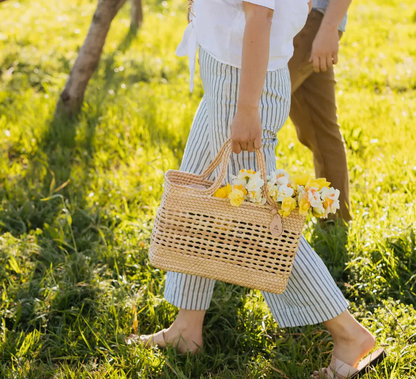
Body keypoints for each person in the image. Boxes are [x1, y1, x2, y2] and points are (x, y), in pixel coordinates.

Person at [127, 1, 385, 377]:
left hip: (244, 84)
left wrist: (247, 106)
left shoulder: (247, 93)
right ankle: (187, 327)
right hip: (227, 73)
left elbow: (261, 14)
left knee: (262, 226)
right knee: (200, 193)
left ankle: (349, 333)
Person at [289, 0, 352, 223]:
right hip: (305, 19)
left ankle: (229, 215)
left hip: (311, 20)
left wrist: (329, 27)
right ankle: (336, 224)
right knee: (319, 128)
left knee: (256, 109)